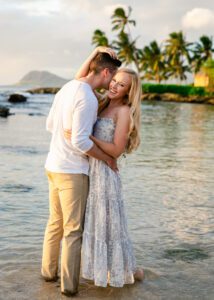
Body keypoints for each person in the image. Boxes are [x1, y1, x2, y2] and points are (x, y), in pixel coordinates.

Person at [41, 48, 121, 297]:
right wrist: (107, 158)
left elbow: (50, 125)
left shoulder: (68, 88)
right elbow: (81, 142)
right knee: (73, 231)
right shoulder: (86, 97)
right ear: (105, 72)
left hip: (52, 165)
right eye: (113, 76)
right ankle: (69, 288)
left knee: (55, 224)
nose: (112, 82)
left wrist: (95, 52)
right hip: (72, 171)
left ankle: (47, 274)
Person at [65, 47, 144, 287]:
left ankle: (128, 272)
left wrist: (88, 137)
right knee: (96, 225)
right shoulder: (100, 102)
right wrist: (94, 52)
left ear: (129, 92)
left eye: (121, 85)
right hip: (92, 171)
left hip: (107, 176)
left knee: (110, 227)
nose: (114, 86)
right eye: (115, 81)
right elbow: (79, 80)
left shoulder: (123, 112)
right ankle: (104, 271)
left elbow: (116, 150)